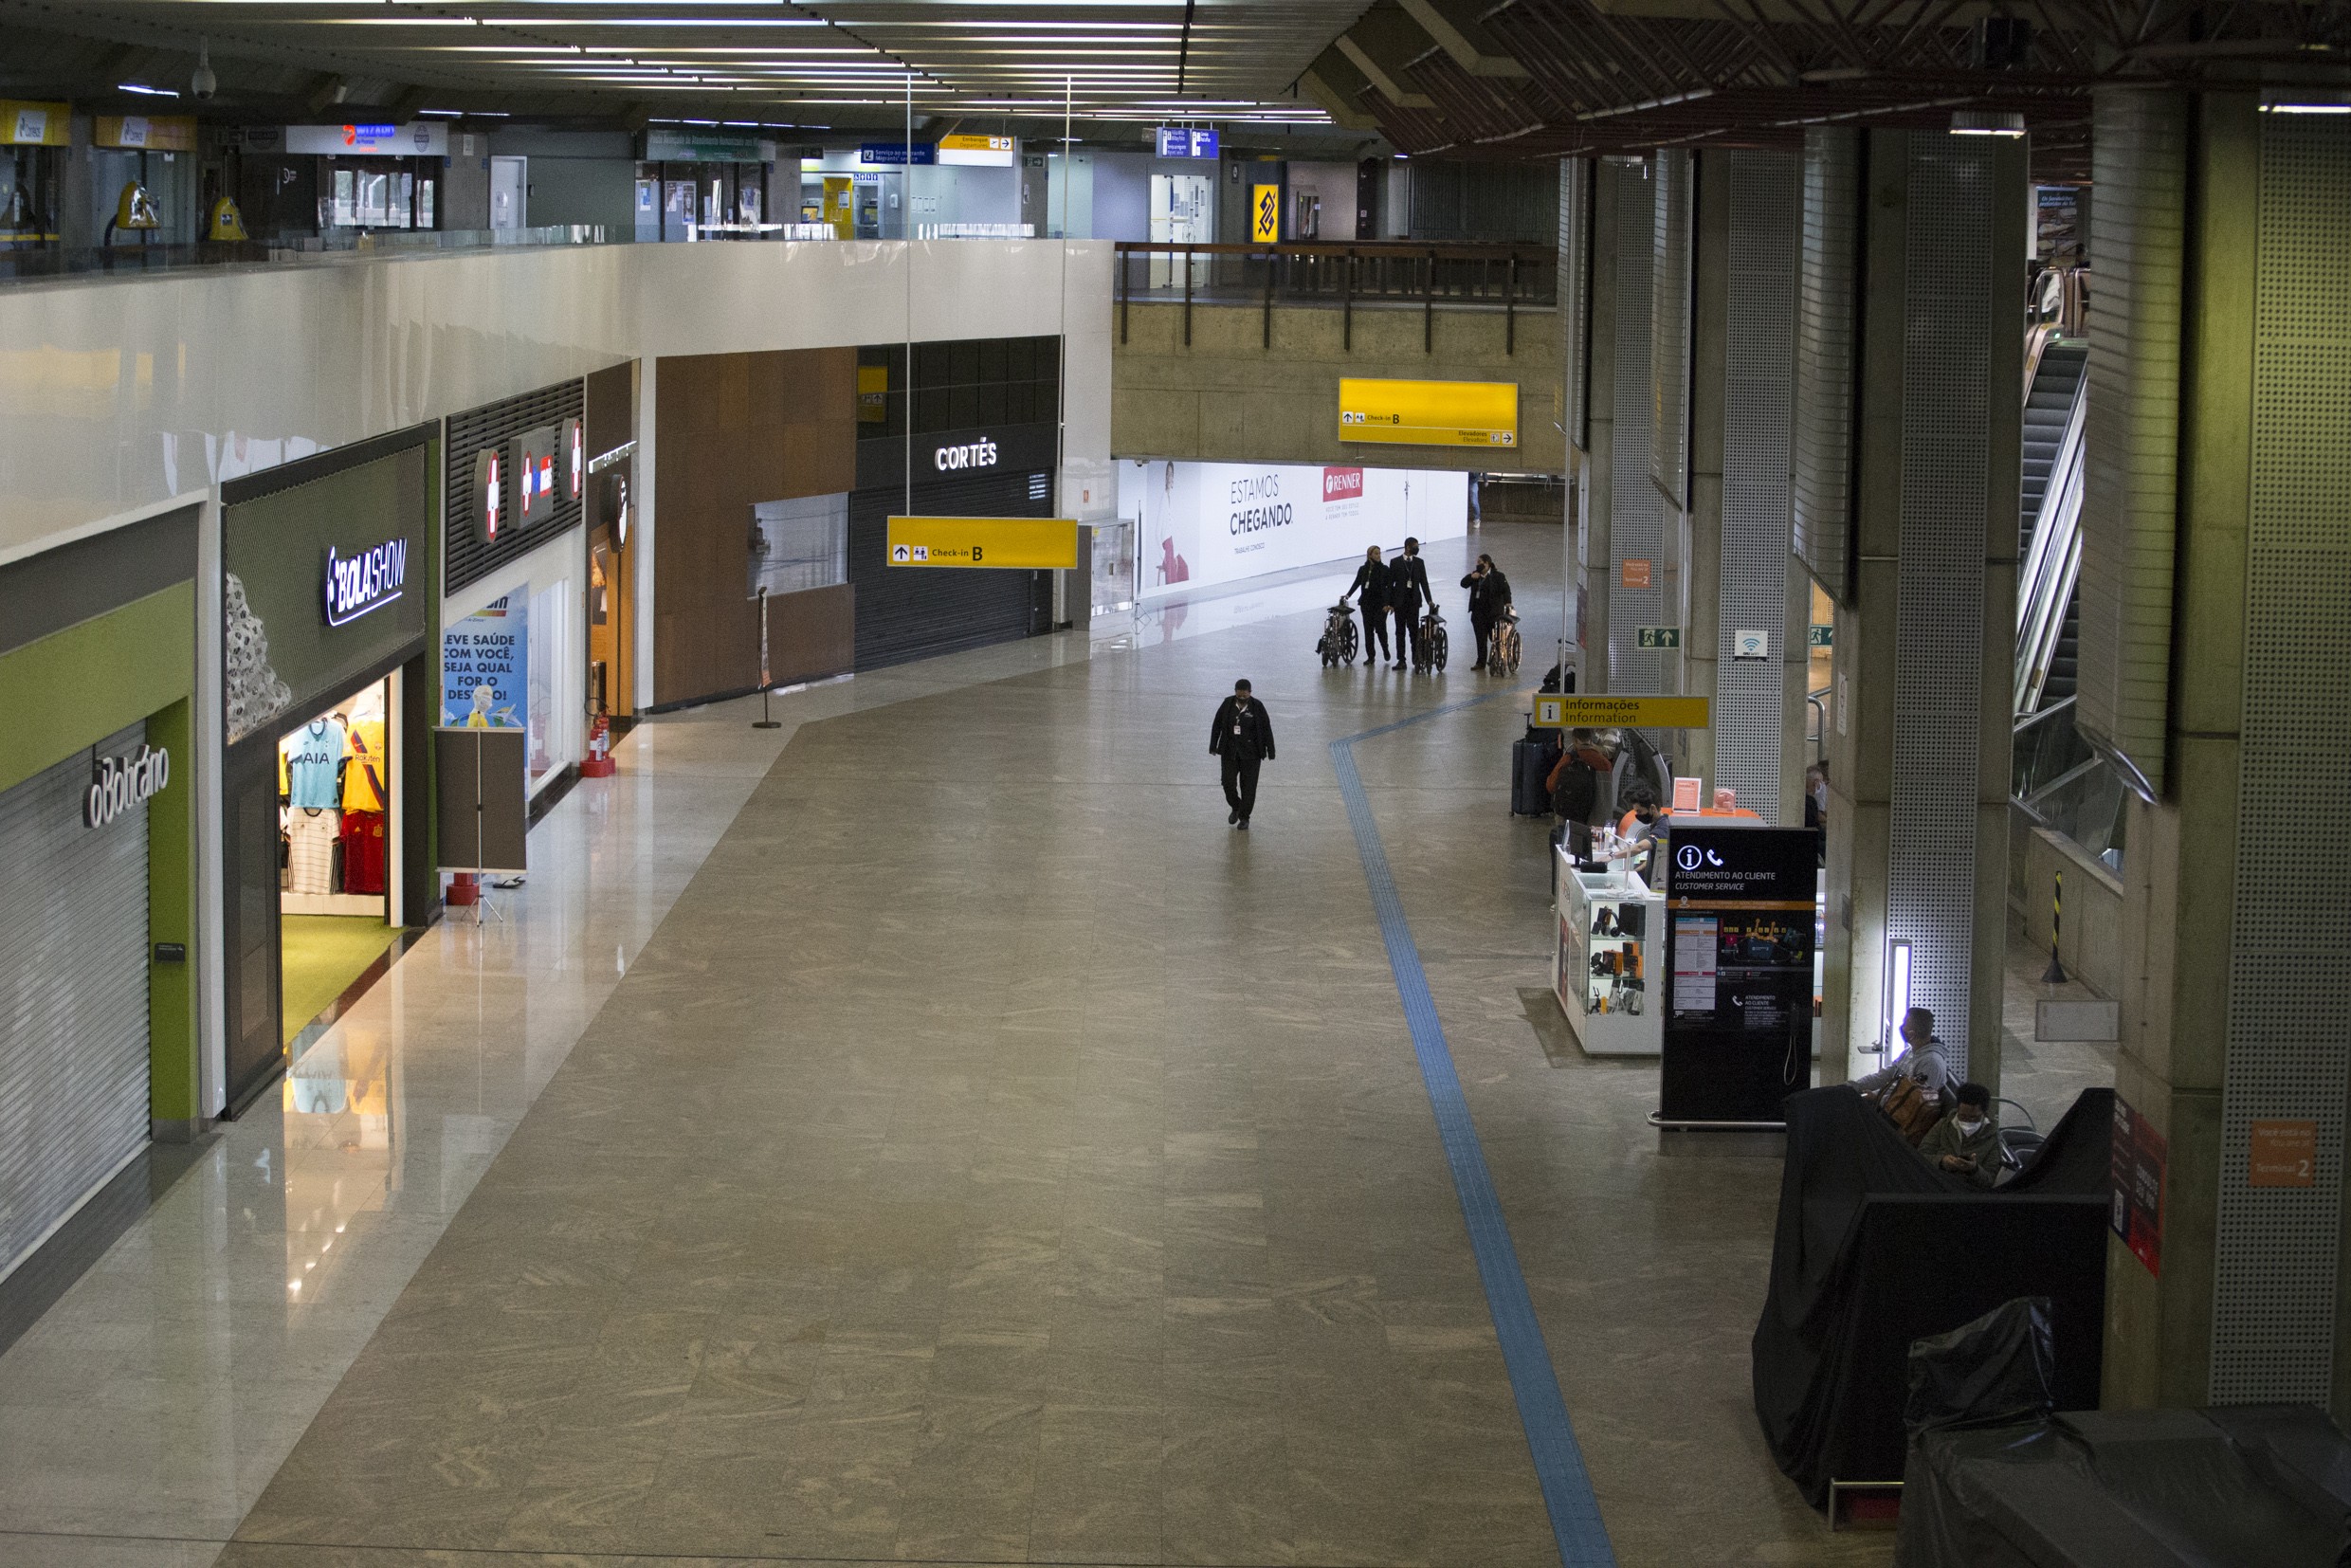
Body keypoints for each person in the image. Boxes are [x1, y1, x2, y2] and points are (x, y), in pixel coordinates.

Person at [1208, 678, 1276, 830]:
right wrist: (1213, 745)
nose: (1242, 699)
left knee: (1249, 788)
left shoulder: (1257, 707)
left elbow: (1266, 729)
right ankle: (1236, 806)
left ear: (1250, 693)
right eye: (1239, 696)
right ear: (1235, 693)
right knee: (1227, 783)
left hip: (1251, 755)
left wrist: (1270, 750)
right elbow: (1217, 724)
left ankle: (1244, 817)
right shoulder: (1227, 704)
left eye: (1245, 696)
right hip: (1229, 752)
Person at [1852, 1006, 1953, 1103]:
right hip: (1884, 1105)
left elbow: (1916, 1102)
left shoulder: (1931, 1063)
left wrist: (1877, 1098)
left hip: (1894, 1116)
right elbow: (1883, 1076)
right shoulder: (1909, 1052)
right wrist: (1855, 1086)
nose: (1902, 1026)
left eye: (1904, 1023)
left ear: (1911, 1034)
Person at [1918, 1082, 2002, 1189]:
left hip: (1969, 1193)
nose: (1967, 1122)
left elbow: (1989, 1180)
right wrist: (1942, 1162)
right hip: (1938, 1186)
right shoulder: (1943, 1126)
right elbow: (1921, 1156)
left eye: (1973, 1118)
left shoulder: (1992, 1137)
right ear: (1957, 1109)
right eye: (1962, 1116)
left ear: (1984, 1114)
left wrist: (1974, 1170)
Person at [1388, 537, 1433, 669]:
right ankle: (1401, 659)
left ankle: (1416, 656)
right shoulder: (1395, 562)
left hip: (1413, 602)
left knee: (1413, 631)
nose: (1417, 548)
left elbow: (1424, 583)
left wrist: (1429, 600)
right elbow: (1391, 585)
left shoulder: (1419, 562)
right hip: (1400, 603)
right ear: (1408, 547)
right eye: (1415, 546)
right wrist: (1390, 603)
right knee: (1399, 632)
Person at [1461, 554, 1512, 671]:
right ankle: (1481, 662)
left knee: (1495, 638)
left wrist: (1508, 603)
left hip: (1494, 613)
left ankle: (1498, 660)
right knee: (1480, 639)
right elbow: (1463, 584)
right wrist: (1471, 577)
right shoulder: (1475, 576)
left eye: (1480, 562)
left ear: (1487, 564)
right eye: (1477, 563)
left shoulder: (1498, 576)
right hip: (1478, 614)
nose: (1478, 565)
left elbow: (1506, 590)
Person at [1345, 545, 1393, 668]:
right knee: (1368, 631)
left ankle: (1385, 649)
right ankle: (1371, 656)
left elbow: (1389, 588)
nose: (1378, 556)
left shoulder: (1385, 570)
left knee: (1380, 629)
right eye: (1376, 554)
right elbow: (1357, 583)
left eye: (1379, 553)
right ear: (1370, 555)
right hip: (1366, 604)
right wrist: (1348, 595)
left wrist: (1388, 603)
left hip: (1381, 605)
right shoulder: (1363, 569)